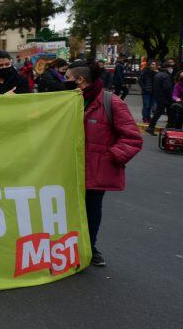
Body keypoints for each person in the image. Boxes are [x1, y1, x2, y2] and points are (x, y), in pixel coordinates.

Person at [65, 61, 142, 267]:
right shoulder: (67, 101)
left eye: (68, 78)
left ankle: (89, 247)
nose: (65, 82)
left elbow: (132, 138)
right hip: (67, 168)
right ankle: (67, 249)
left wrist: (109, 158)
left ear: (79, 80)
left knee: (91, 210)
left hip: (95, 171)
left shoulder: (111, 102)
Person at [147, 60, 175, 135]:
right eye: (171, 67)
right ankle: (169, 128)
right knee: (169, 113)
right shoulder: (166, 76)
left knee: (158, 113)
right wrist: (172, 96)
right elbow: (168, 88)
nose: (172, 69)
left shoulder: (158, 75)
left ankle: (151, 127)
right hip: (166, 98)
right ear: (168, 68)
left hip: (159, 97)